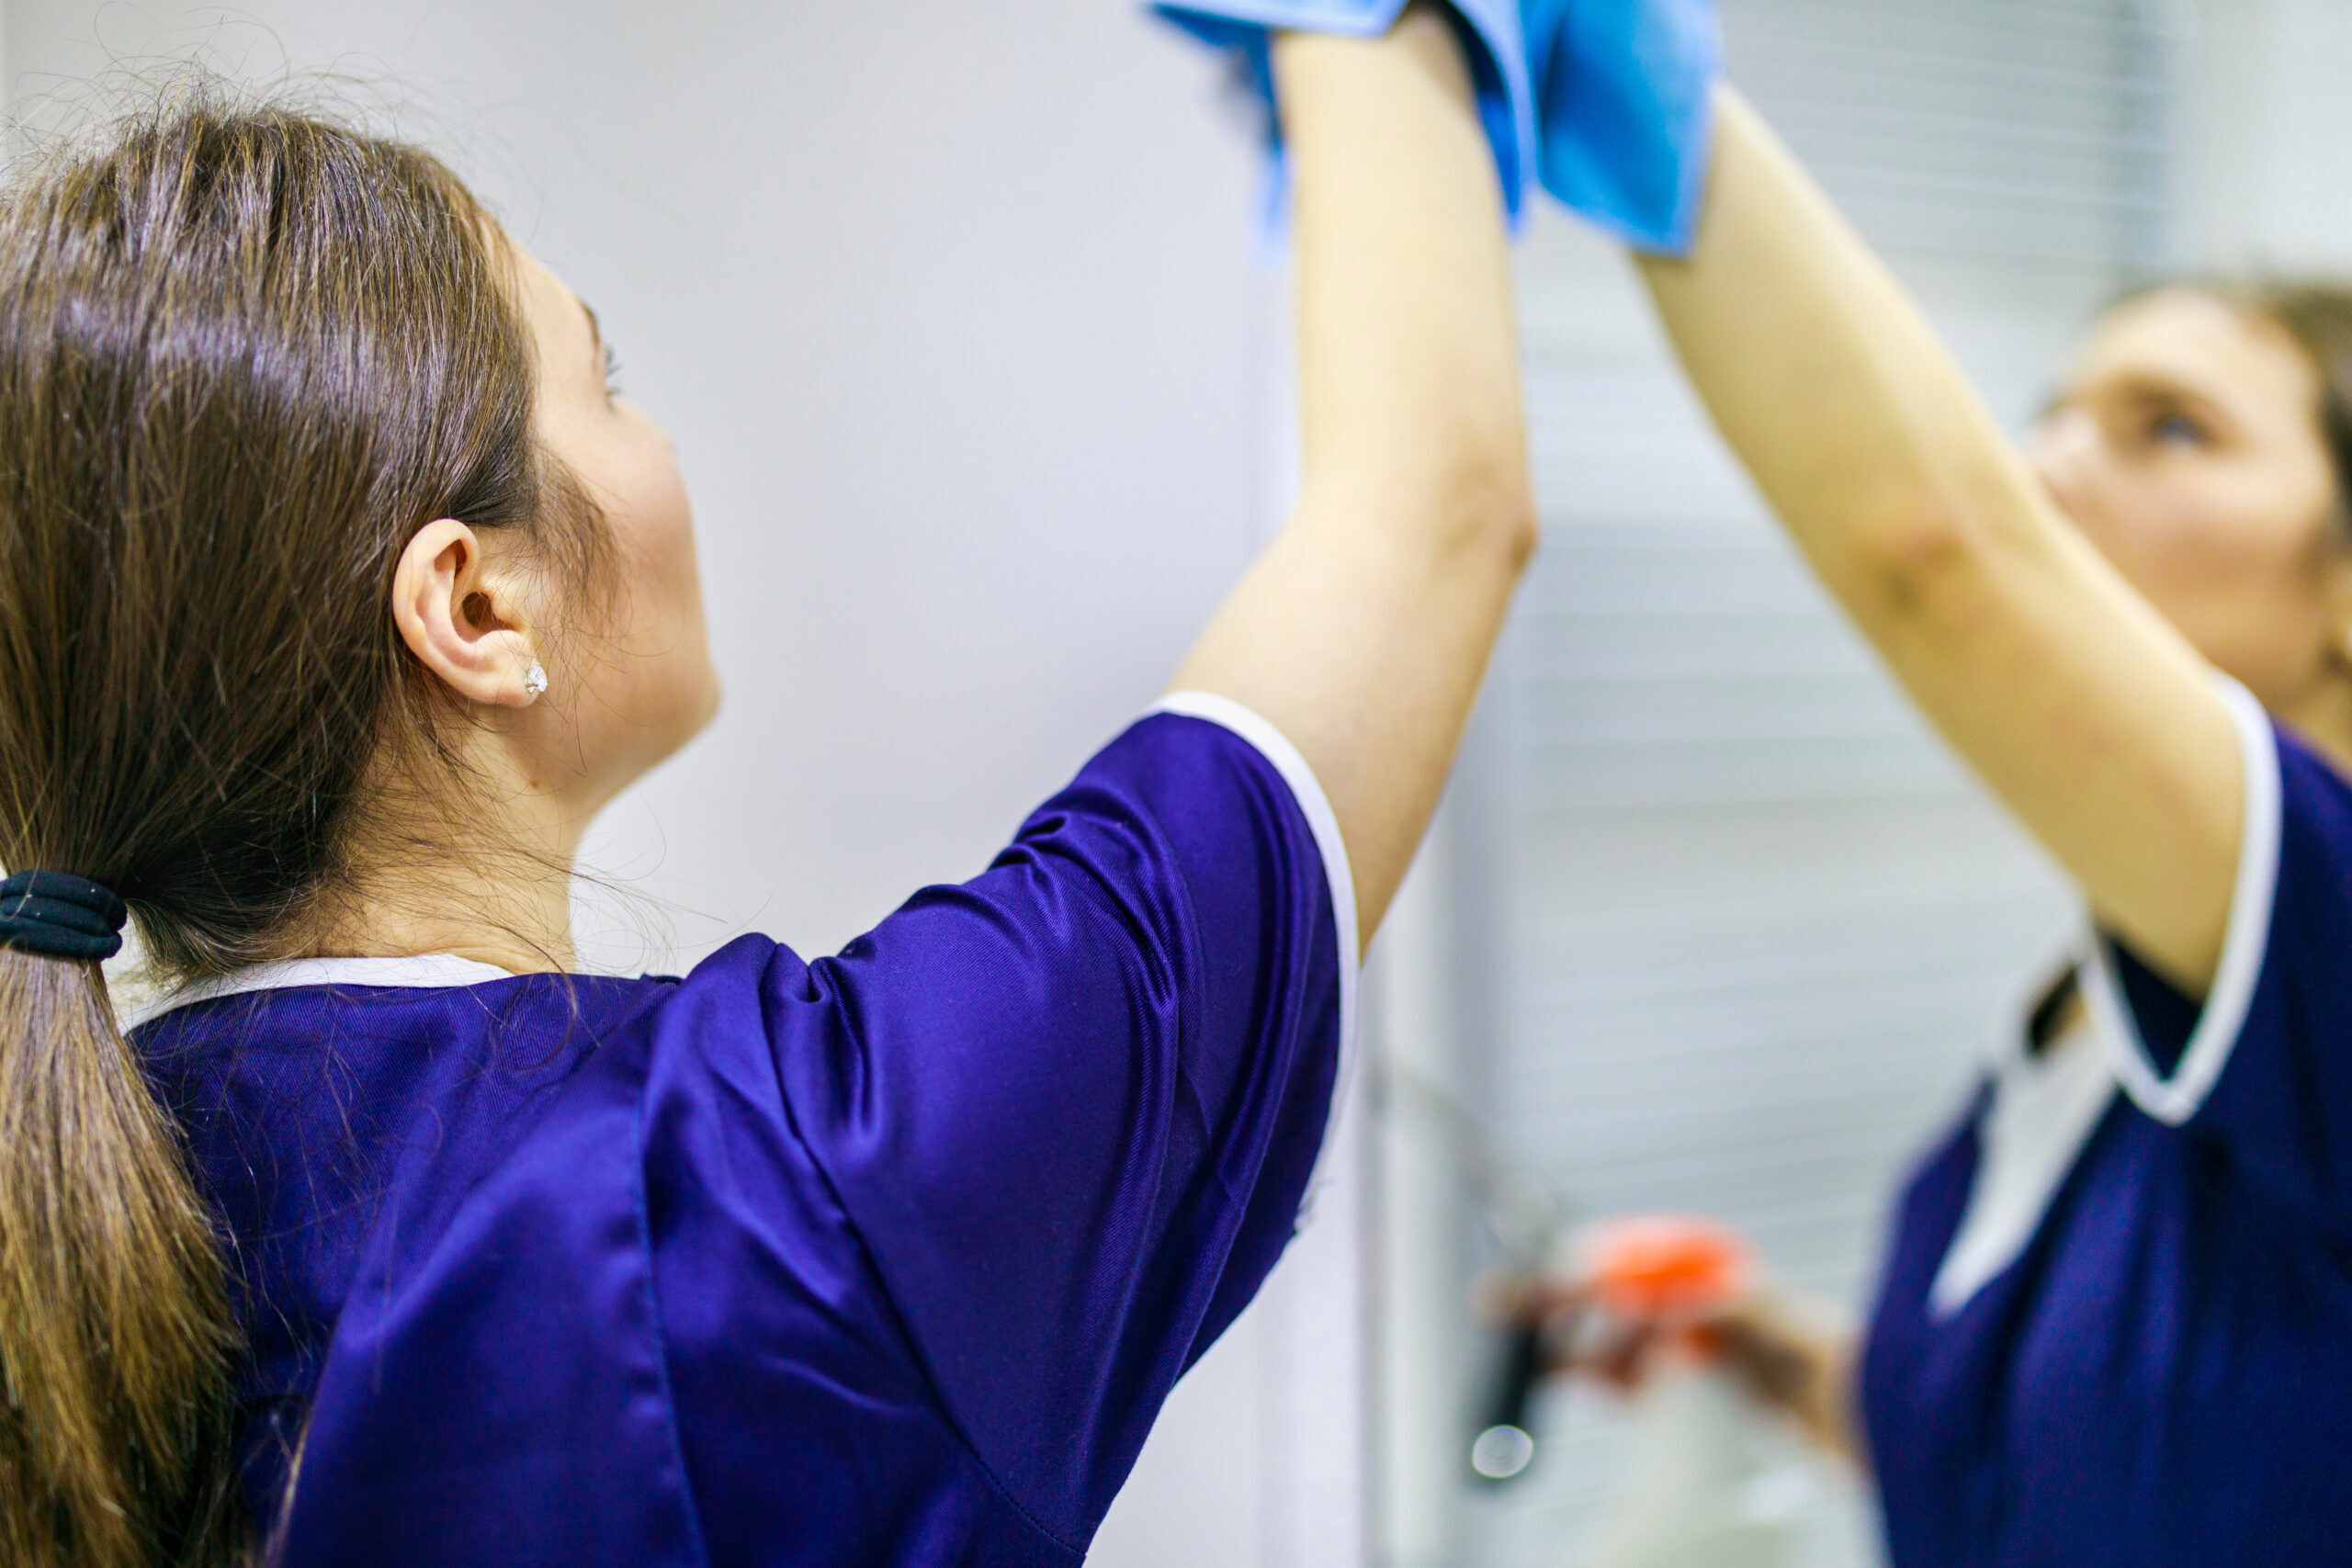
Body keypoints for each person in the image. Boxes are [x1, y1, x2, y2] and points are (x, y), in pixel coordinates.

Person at [0, 9, 1533, 1565]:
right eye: (606, 381)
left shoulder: (68, 1220)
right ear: (476, 612)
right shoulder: (780, 1188)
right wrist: (1372, 29)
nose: (656, 438)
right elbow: (1430, 519)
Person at [1543, 81, 2352, 1568]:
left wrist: (1622, 79)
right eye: (2053, 412)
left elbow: (1941, 551)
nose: (2045, 469)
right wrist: (1786, 1361)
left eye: (2170, 430)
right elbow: (2127, 1453)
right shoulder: (2087, 1024)